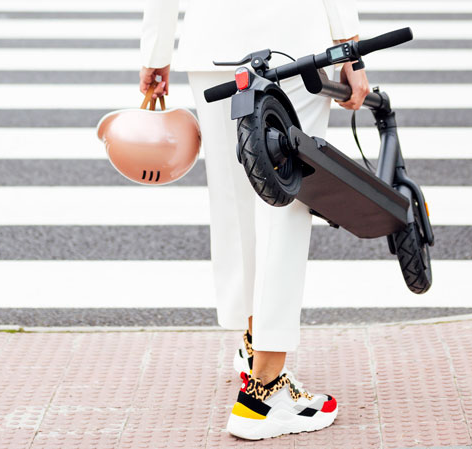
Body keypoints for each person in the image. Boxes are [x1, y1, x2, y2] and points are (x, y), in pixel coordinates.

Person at [139, 0, 370, 440]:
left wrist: (156, 53)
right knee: (285, 205)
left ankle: (253, 344)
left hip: (213, 45)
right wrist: (349, 49)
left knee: (234, 203)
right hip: (292, 42)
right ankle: (266, 392)